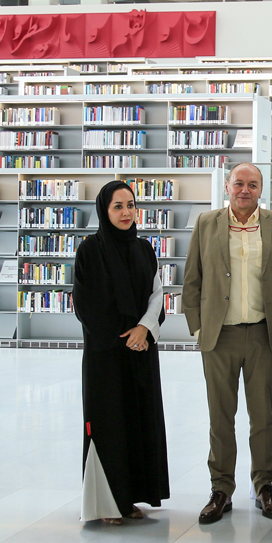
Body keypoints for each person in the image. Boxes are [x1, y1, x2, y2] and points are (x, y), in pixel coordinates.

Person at [182, 163, 272, 524]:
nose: (244, 189)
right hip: (220, 337)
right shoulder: (207, 223)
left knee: (263, 418)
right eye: (239, 183)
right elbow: (192, 279)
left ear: (261, 189)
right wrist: (199, 329)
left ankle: (264, 486)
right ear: (227, 187)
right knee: (221, 417)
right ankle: (221, 490)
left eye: (252, 184)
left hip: (264, 335)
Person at [74, 180, 169, 524]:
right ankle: (107, 506)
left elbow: (156, 294)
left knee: (138, 423)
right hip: (106, 356)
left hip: (141, 352)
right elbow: (87, 306)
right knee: (108, 426)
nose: (126, 212)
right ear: (104, 209)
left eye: (131, 205)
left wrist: (144, 329)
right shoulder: (89, 250)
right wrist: (125, 337)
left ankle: (130, 500)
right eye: (118, 206)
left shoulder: (144, 248)